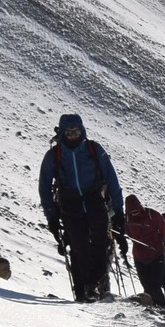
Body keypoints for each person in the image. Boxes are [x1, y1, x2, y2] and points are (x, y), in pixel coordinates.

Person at [38, 113, 124, 303]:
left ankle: (91, 285)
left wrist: (119, 210)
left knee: (101, 244)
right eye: (68, 132)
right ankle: (87, 289)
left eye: (76, 131)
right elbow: (44, 186)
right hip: (70, 205)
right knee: (79, 247)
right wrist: (52, 217)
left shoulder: (94, 149)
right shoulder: (54, 155)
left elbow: (111, 178)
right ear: (61, 133)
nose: (72, 136)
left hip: (94, 201)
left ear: (82, 131)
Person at [124, 195, 165, 304]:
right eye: (132, 212)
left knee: (155, 286)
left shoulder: (152, 215)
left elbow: (163, 230)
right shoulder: (127, 219)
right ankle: (151, 309)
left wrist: (157, 243)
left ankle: (164, 309)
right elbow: (128, 233)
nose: (134, 214)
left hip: (156, 255)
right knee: (146, 287)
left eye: (136, 211)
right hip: (139, 257)